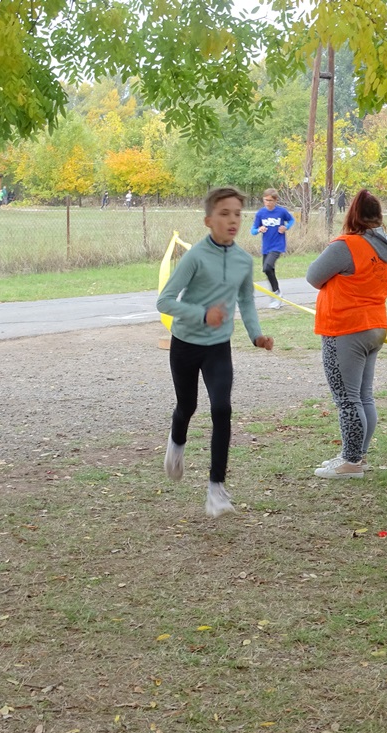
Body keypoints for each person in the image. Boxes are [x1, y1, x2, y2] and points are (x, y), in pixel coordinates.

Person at [157, 187, 275, 517]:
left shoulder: (243, 260)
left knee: (222, 409)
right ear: (209, 220)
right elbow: (164, 301)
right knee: (188, 406)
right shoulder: (195, 256)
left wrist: (256, 335)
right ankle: (176, 443)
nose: (232, 220)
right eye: (224, 214)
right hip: (185, 344)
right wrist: (202, 314)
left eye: (237, 214)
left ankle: (216, 488)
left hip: (218, 347)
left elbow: (246, 301)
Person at [306, 189, 387, 479]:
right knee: (363, 396)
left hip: (345, 328)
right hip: (375, 326)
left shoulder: (347, 245)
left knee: (347, 399)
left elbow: (313, 276)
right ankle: (357, 455)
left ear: (352, 215)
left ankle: (351, 462)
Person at [250, 188, 295, 309]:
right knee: (268, 271)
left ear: (275, 201)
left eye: (270, 200)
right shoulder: (261, 213)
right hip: (266, 246)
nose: (268, 203)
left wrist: (286, 227)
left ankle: (276, 293)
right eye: (265, 200)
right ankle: (276, 295)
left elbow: (291, 220)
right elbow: (253, 230)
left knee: (267, 267)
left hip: (278, 245)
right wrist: (259, 229)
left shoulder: (281, 212)